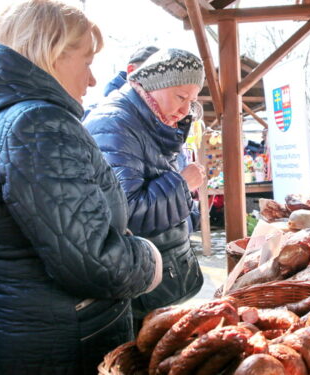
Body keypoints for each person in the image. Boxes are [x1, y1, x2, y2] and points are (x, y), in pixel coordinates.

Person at [0, 1, 163, 374]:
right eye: (87, 61)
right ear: (52, 54)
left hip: (18, 331)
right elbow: (94, 262)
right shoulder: (40, 125)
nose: (92, 80)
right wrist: (149, 259)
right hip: (66, 341)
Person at [84, 48, 206, 326]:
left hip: (156, 276)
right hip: (137, 285)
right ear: (154, 86)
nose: (186, 109)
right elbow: (127, 214)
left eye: (193, 100)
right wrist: (182, 184)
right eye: (180, 97)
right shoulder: (114, 124)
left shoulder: (151, 118)